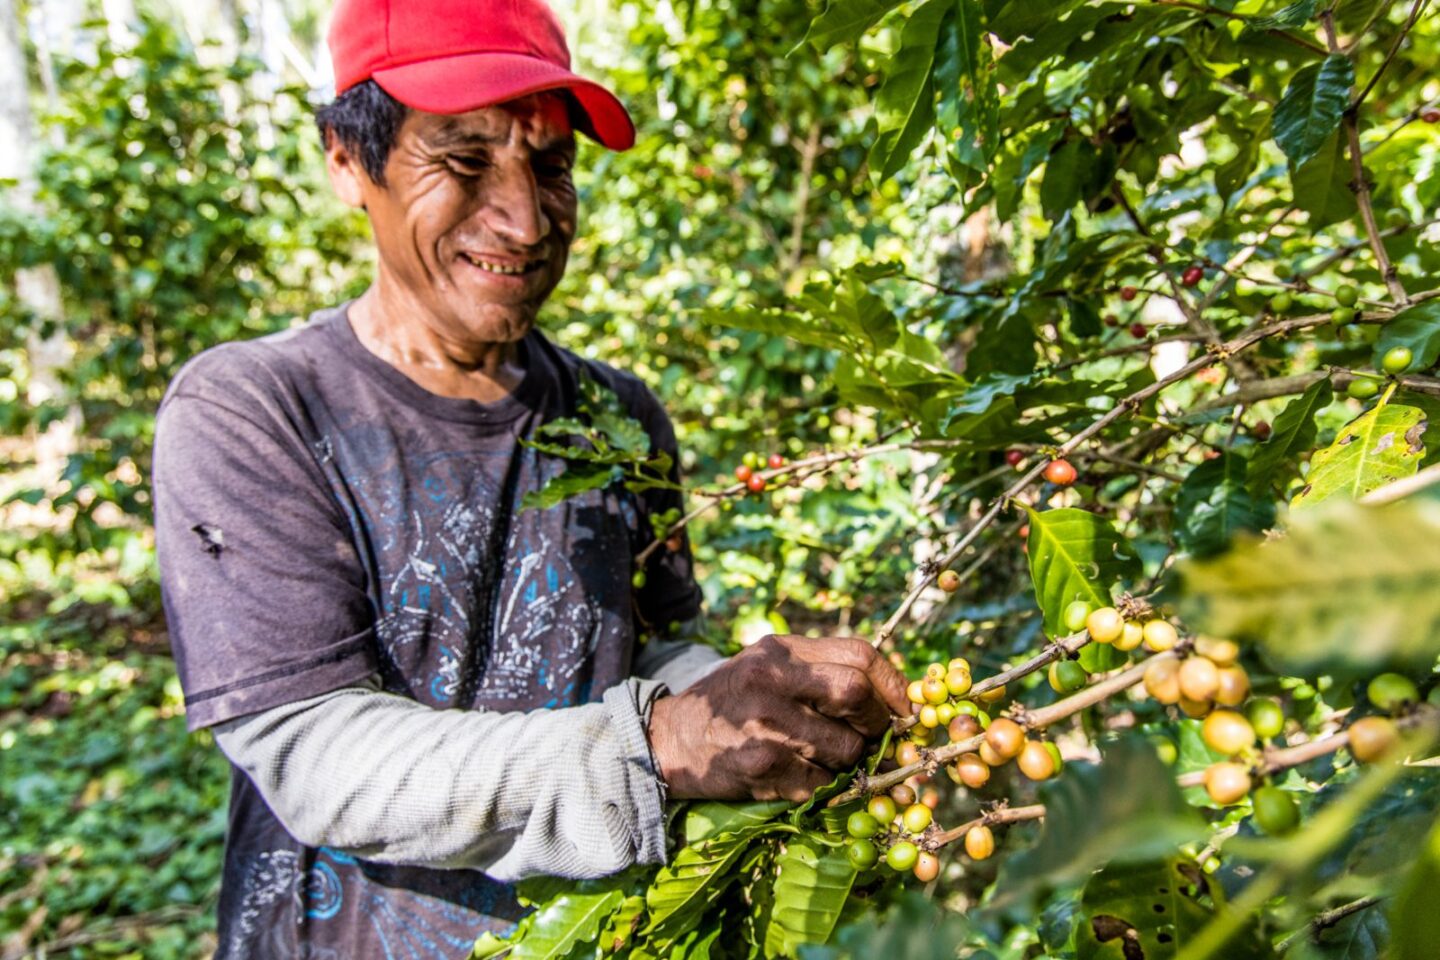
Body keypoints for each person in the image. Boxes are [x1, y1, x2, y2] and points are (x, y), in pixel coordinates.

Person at [151, 0, 909, 955]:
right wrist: (661, 746)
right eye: (464, 161)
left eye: (551, 167)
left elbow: (651, 648)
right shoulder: (256, 409)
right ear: (350, 159)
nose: (522, 217)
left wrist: (757, 702)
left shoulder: (615, 417)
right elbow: (315, 752)